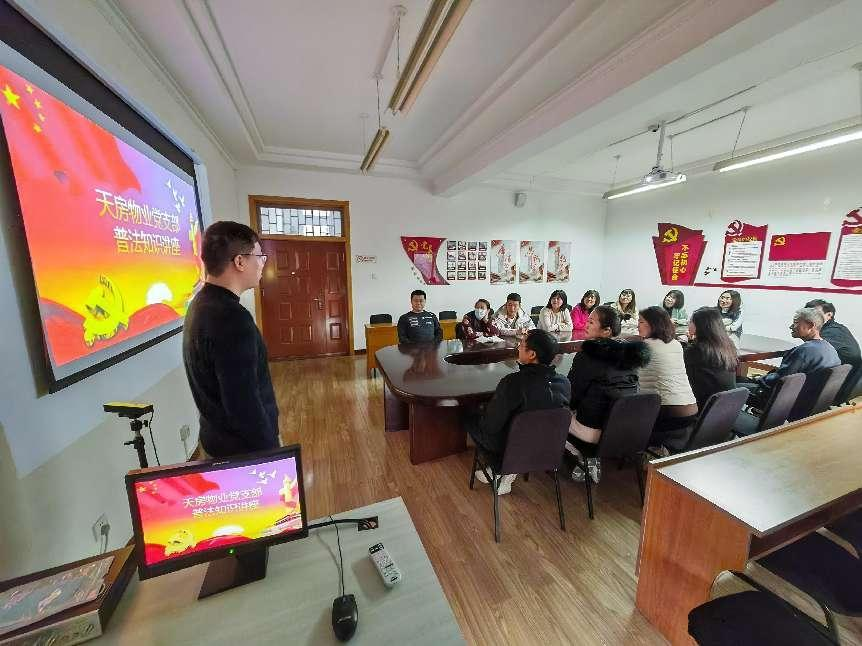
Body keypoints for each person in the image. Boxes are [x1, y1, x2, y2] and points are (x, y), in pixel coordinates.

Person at [183, 221, 278, 458]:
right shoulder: (232, 319)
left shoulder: (199, 304)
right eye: (259, 257)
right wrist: (273, 454)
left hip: (215, 441)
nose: (262, 264)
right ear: (240, 262)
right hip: (244, 454)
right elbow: (244, 407)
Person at [467, 329, 570, 495]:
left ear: (532, 354)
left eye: (521, 344)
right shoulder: (564, 383)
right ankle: (508, 472)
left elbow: (490, 427)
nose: (518, 347)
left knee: (471, 417)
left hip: (511, 449)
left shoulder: (512, 383)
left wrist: (482, 411)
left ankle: (499, 469)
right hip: (548, 449)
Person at [566, 306, 650, 482]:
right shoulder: (631, 355)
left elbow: (571, 396)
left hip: (592, 431)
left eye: (591, 322)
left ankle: (585, 457)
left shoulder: (587, 356)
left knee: (552, 411)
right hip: (623, 429)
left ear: (606, 331)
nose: (586, 325)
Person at [744, 307, 840, 410]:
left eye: (795, 323)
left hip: (784, 402)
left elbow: (780, 379)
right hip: (809, 401)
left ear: (811, 325)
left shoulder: (804, 351)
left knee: (734, 387)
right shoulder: (830, 348)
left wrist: (760, 379)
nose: (791, 326)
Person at [637, 306, 698, 449]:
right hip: (690, 410)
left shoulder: (644, 347)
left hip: (668, 412)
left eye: (641, 322)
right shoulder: (675, 344)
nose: (637, 325)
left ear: (653, 324)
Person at [684, 308, 738, 410]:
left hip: (704, 406)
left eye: (691, 321)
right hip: (728, 406)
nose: (688, 323)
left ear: (701, 326)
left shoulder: (697, 350)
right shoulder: (728, 345)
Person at [804, 299, 861, 368]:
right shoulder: (833, 328)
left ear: (829, 315)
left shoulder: (832, 331)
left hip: (845, 372)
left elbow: (810, 353)